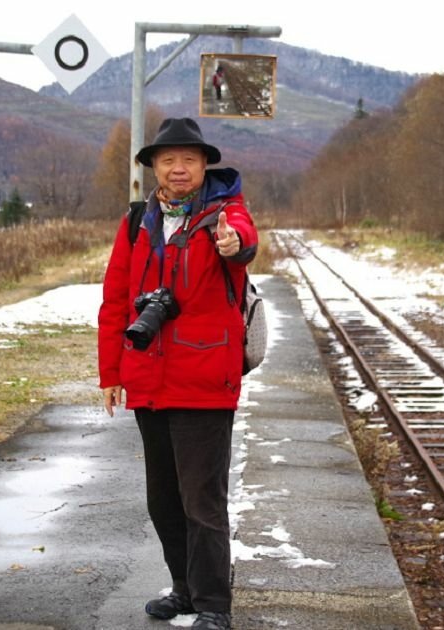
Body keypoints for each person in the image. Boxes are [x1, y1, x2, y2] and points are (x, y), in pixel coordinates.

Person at [97, 117, 257, 630]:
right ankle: (185, 591)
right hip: (148, 381)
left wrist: (234, 246)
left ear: (204, 163)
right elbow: (116, 299)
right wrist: (110, 372)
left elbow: (244, 244)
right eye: (169, 160)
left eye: (189, 158)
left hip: (206, 381)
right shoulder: (136, 223)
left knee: (202, 502)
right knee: (163, 499)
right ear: (154, 169)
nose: (179, 168)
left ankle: (214, 605)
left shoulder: (225, 215)